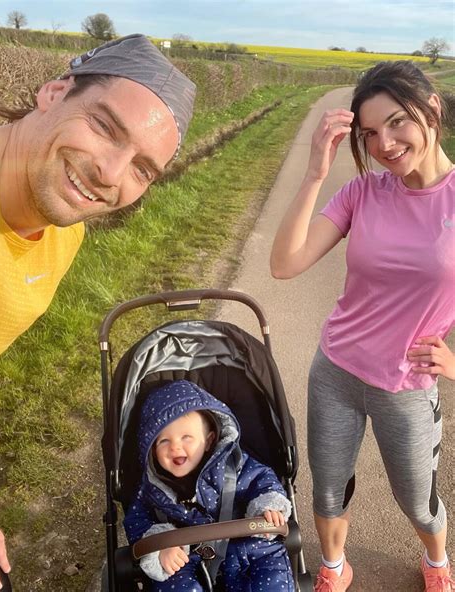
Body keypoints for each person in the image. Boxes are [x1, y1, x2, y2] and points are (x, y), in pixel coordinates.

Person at [0, 34, 196, 590]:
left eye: (143, 169)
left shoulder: (62, 235)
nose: (110, 173)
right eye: (104, 127)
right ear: (54, 92)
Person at [270, 60, 454, 592]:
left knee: (417, 499)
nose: (385, 143)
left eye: (397, 122)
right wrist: (314, 174)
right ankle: (333, 566)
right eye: (370, 133)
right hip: (336, 371)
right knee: (327, 490)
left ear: (432, 108)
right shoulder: (364, 193)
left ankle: (436, 558)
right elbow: (285, 264)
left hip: (407, 387)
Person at [123, 379, 295, 591]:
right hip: (185, 559)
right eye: (163, 441)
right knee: (172, 582)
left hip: (248, 546)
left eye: (186, 437)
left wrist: (268, 507)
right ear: (151, 449)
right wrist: (159, 546)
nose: (175, 446)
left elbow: (264, 481)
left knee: (271, 573)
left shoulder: (234, 465)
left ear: (209, 441)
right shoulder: (150, 488)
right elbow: (136, 521)